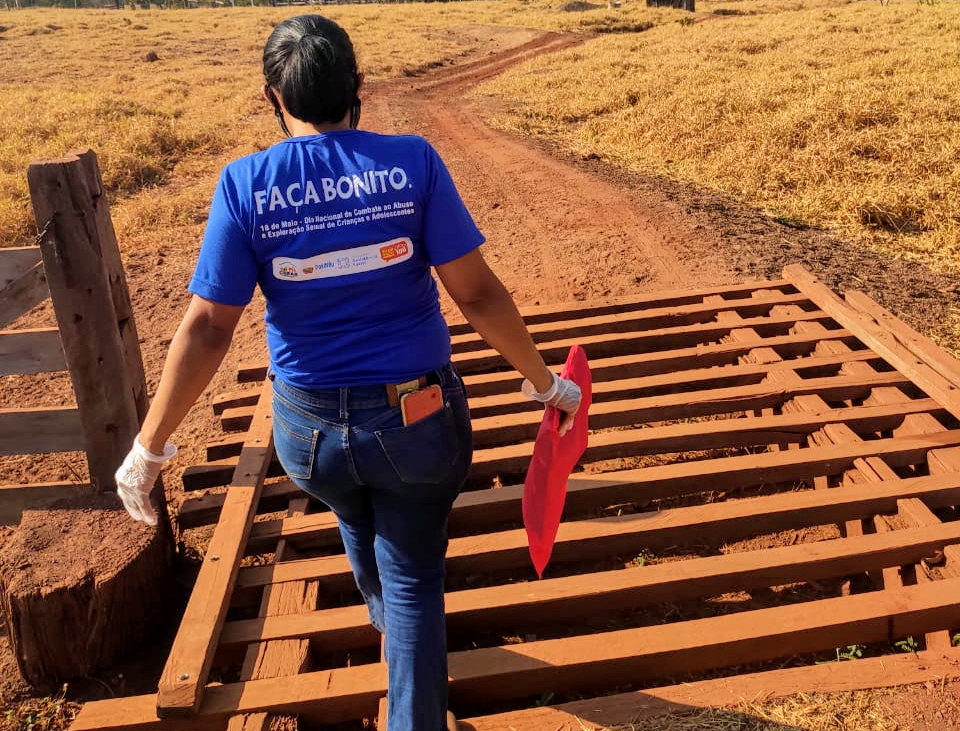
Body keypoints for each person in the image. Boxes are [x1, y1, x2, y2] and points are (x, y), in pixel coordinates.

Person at [114, 14, 580, 731]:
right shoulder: (412, 163)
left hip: (310, 435)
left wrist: (149, 447)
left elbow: (209, 327)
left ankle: (395, 640)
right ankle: (412, 685)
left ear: (275, 97)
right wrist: (546, 384)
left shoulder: (246, 185)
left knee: (358, 517)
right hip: (417, 422)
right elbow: (478, 293)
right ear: (357, 86)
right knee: (414, 569)